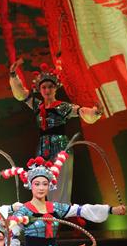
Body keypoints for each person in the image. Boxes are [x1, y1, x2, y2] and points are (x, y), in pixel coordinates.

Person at [9, 58, 103, 203]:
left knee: (61, 183)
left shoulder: (62, 106)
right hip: (43, 147)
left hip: (61, 147)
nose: (47, 90)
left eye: (50, 87)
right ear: (39, 89)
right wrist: (13, 75)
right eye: (44, 87)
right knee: (44, 181)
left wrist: (95, 112)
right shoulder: (37, 105)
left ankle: (62, 209)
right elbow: (21, 94)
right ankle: (49, 211)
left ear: (55, 88)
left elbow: (82, 111)